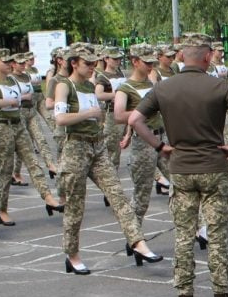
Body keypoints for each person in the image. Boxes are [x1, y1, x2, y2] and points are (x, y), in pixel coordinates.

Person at [129, 33, 228, 297]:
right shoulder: (219, 86)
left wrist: (160, 146)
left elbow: (134, 119)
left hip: (181, 169)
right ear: (207, 57)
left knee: (184, 236)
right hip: (213, 167)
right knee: (218, 235)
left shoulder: (163, 88)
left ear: (181, 57)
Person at [55, 45, 162, 276]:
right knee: (75, 206)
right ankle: (72, 255)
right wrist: (88, 114)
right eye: (88, 63)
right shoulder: (65, 85)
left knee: (118, 196)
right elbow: (60, 118)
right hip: (75, 147)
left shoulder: (88, 85)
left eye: (94, 63)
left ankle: (138, 242)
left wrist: (124, 133)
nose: (93, 66)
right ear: (74, 63)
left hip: (97, 146)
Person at [0, 48, 63, 224]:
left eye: (10, 61)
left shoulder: (13, 79)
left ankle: (48, 197)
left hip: (18, 125)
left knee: (33, 163)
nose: (9, 65)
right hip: (3, 129)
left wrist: (23, 98)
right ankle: (2, 209)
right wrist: (12, 101)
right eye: (5, 62)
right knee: (5, 171)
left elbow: (27, 94)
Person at [114, 44, 170, 224]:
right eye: (146, 63)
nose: (150, 67)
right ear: (135, 61)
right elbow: (119, 115)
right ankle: (133, 234)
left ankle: (198, 228)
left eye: (152, 63)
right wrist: (144, 112)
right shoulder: (126, 88)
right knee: (142, 195)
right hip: (144, 144)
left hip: (161, 137)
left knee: (180, 183)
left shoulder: (152, 84)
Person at [95, 47, 127, 170]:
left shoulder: (120, 73)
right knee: (112, 144)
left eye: (119, 59)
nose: (118, 61)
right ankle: (110, 170)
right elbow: (99, 94)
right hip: (112, 113)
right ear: (106, 59)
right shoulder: (102, 76)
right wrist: (117, 95)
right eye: (114, 59)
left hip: (124, 110)